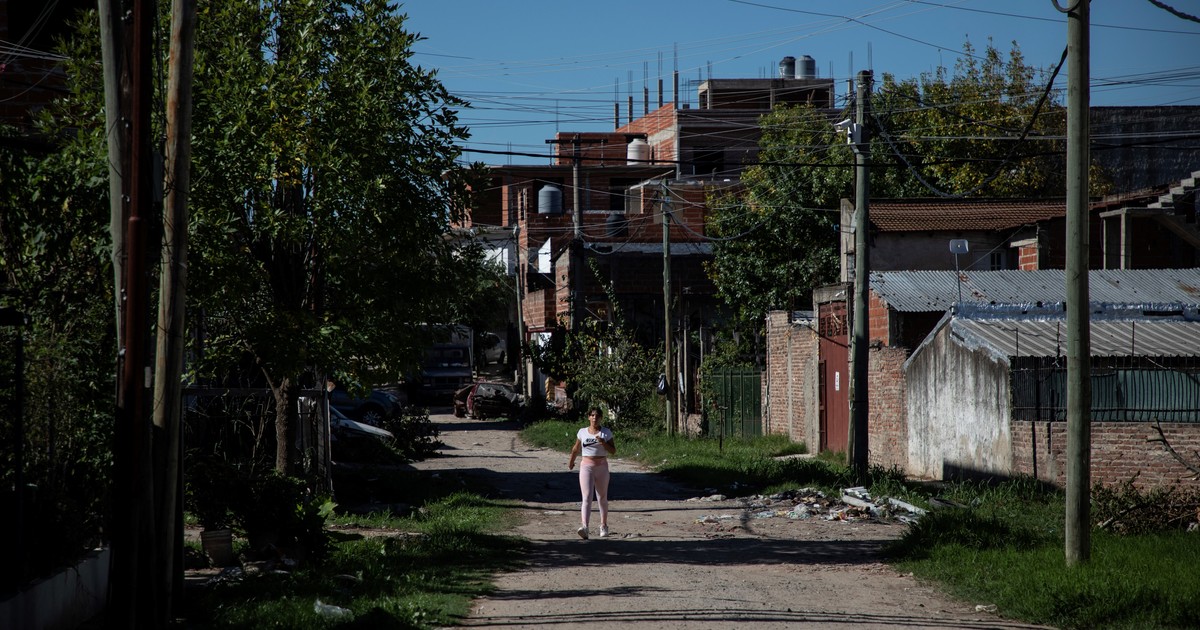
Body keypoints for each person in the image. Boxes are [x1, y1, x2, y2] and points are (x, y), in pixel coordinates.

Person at [567, 407, 616, 539]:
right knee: (587, 496)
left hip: (602, 467)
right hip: (586, 466)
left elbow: (613, 451)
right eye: (592, 415)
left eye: (597, 416)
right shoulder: (582, 432)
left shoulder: (606, 432)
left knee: (602, 497)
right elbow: (576, 448)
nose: (595, 418)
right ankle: (585, 527)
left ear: (601, 418)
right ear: (588, 417)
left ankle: (603, 526)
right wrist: (571, 462)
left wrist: (603, 443)